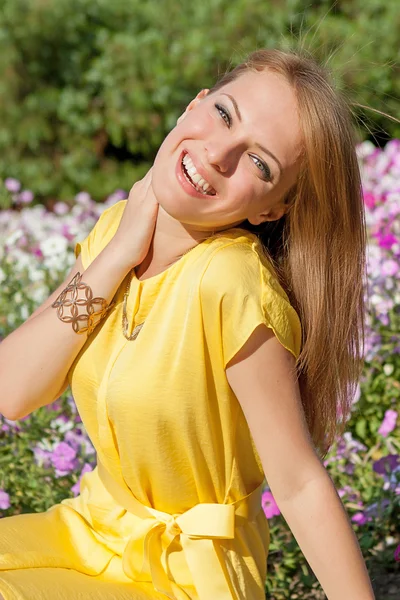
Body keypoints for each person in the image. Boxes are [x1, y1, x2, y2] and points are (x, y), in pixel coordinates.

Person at [0, 47, 375, 599]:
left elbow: (297, 482)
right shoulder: (114, 234)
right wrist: (120, 251)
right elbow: (12, 389)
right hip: (91, 537)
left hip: (188, 576)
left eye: (259, 163)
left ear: (273, 208)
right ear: (194, 105)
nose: (218, 153)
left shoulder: (233, 285)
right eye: (224, 114)